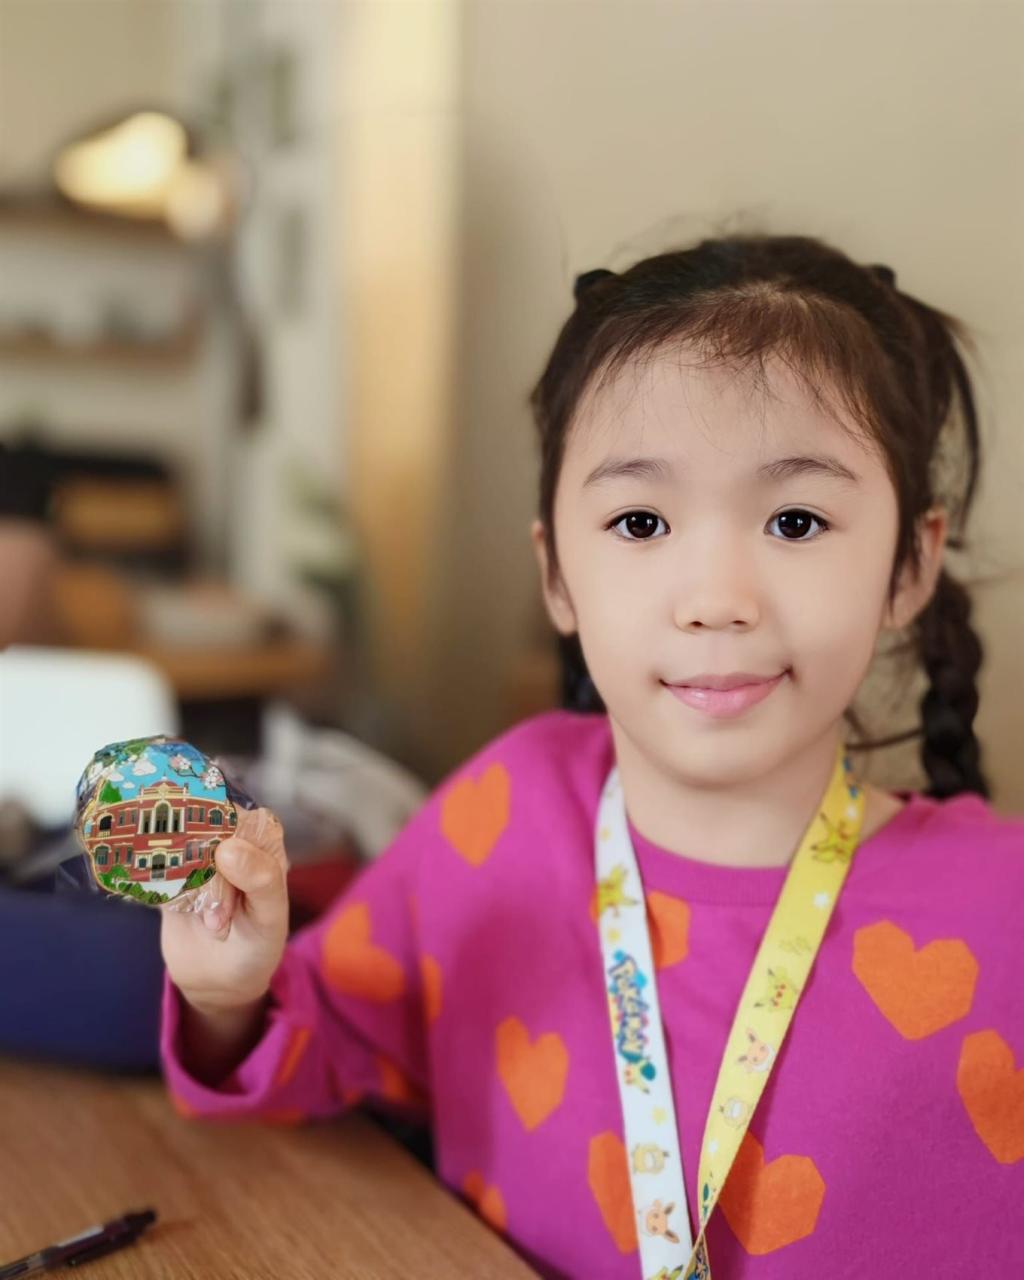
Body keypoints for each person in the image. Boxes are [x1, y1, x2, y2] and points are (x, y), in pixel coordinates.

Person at [160, 233, 1023, 1279]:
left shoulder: (1001, 903)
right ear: (557, 575)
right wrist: (226, 993)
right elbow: (310, 1047)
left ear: (909, 566)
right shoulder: (502, 814)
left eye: (796, 521)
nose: (716, 598)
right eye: (640, 520)